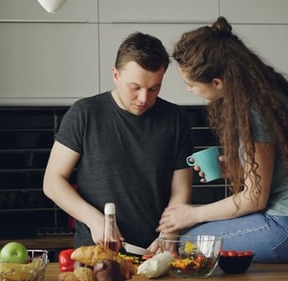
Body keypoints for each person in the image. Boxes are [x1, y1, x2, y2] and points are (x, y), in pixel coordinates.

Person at [157, 17, 288, 263]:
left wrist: (192, 214)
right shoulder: (264, 97)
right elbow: (269, 177)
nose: (189, 90)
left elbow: (254, 198)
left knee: (182, 242)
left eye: (190, 84)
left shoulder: (254, 110)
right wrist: (235, 169)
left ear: (217, 83)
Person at [43, 32, 194, 251]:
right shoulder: (84, 114)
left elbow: (181, 190)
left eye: (154, 88)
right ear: (115, 75)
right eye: (135, 87)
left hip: (154, 254)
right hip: (96, 253)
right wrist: (94, 220)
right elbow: (52, 182)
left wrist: (169, 233)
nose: (144, 98)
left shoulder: (176, 119)